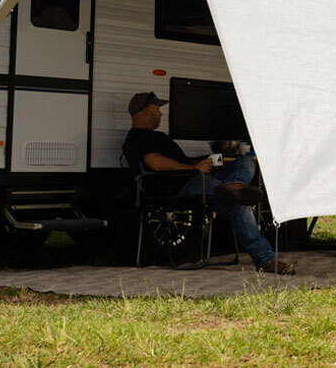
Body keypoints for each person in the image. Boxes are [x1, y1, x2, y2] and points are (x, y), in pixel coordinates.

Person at [122, 91, 295, 275]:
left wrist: (203, 162)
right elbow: (156, 163)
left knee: (245, 161)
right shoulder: (138, 137)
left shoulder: (159, 137)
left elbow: (179, 161)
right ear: (146, 112)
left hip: (196, 178)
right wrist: (194, 168)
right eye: (157, 109)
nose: (161, 114)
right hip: (177, 186)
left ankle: (234, 186)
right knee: (238, 202)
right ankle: (266, 260)